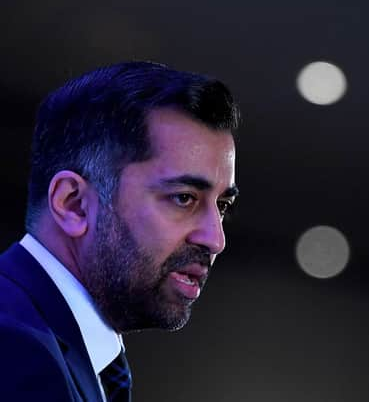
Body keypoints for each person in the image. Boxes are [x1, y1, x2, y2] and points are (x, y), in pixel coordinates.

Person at [0, 61, 240, 401]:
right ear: (74, 204)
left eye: (223, 206)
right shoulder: (14, 348)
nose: (215, 240)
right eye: (184, 198)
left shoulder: (46, 343)